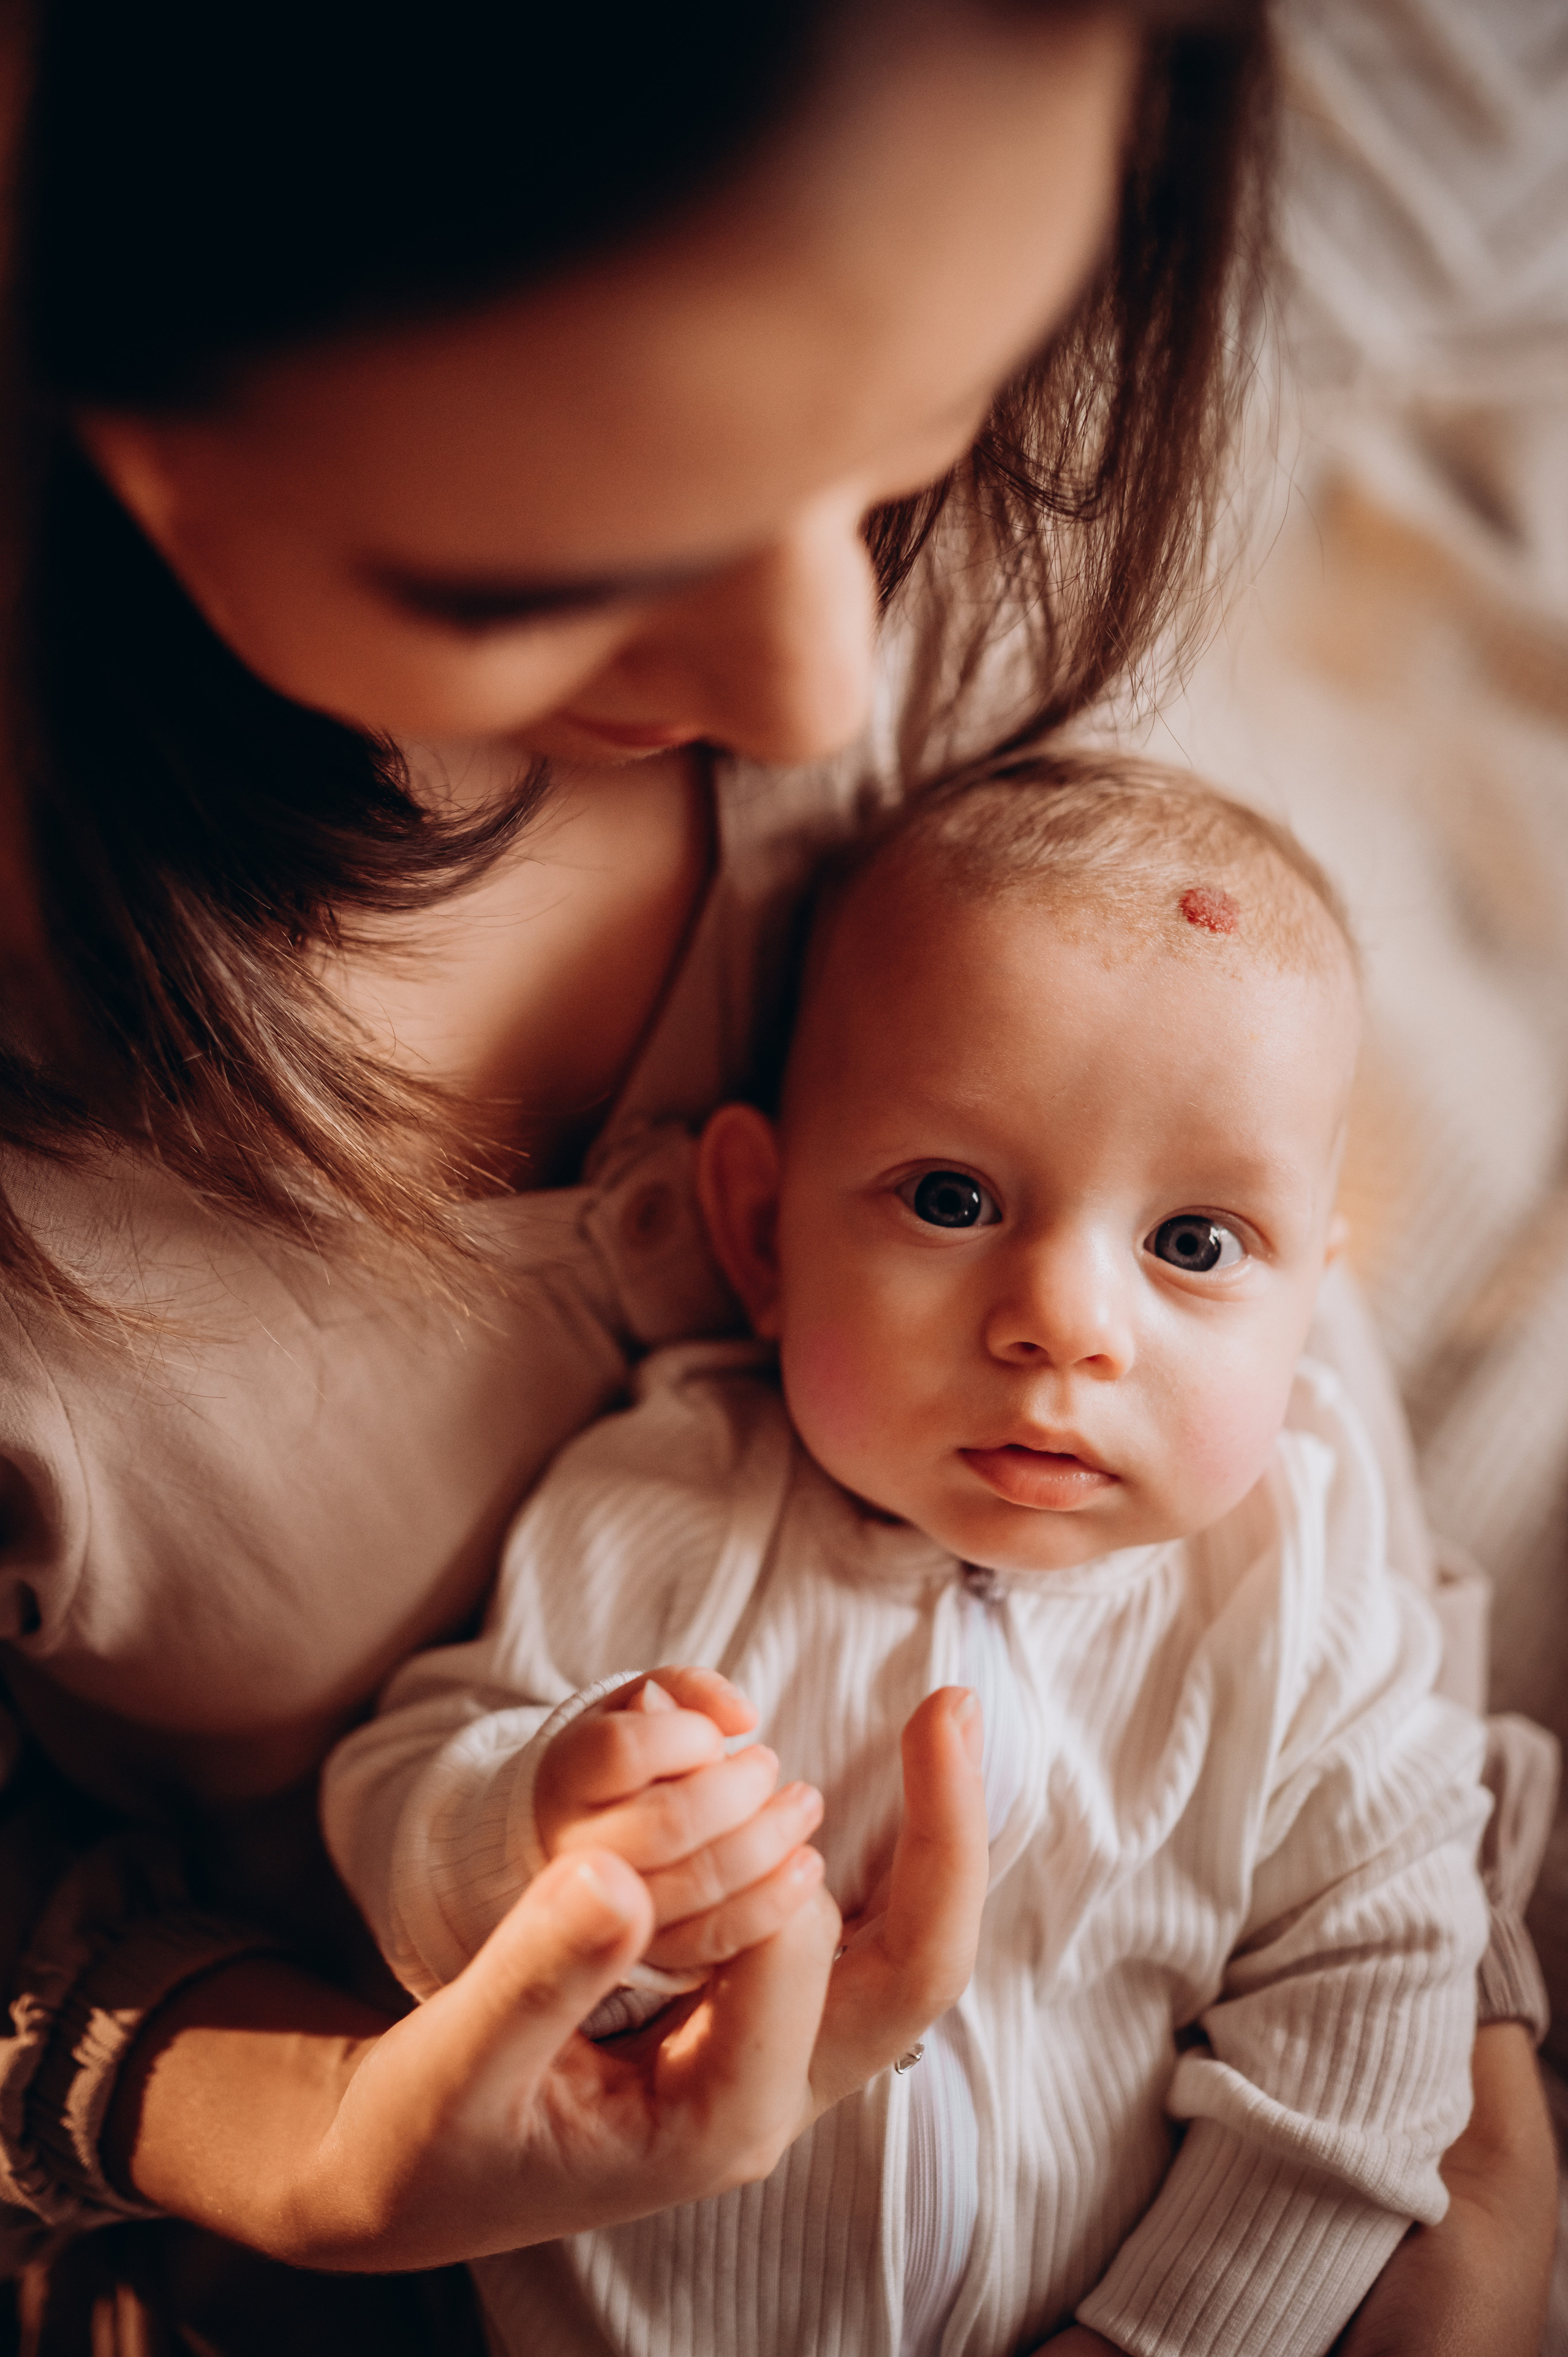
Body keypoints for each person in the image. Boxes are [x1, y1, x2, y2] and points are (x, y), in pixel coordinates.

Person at [0, 2, 1551, 2349]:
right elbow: (428, 1802)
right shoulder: (628, 1539)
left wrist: (1461, 2129)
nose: (827, 701)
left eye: (914, 448)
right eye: (539, 573)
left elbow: (1257, 1298)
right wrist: (307, 2134)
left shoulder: (978, 558)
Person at [325, 765, 1492, 2357]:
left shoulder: (1297, 1590)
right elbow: (396, 1799)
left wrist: (1169, 2339)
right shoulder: (667, 1508)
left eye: (1196, 1244)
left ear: (1309, 1310)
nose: (1067, 1323)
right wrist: (536, 1829)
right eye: (953, 1199)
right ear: (762, 1232)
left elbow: (1377, 2001)